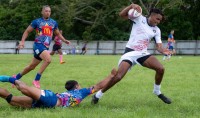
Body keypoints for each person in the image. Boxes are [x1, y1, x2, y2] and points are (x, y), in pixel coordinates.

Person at [91, 3, 172, 104]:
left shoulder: (157, 30)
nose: (158, 22)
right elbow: (122, 15)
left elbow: (158, 47)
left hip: (143, 53)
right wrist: (131, 6)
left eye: (160, 20)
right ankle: (98, 95)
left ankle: (157, 91)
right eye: (157, 19)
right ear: (151, 15)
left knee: (161, 69)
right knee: (118, 77)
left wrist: (164, 50)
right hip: (130, 52)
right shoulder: (139, 18)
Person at [0, 68, 117, 108]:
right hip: (51, 99)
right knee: (23, 88)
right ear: (76, 86)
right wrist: (111, 76)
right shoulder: (81, 92)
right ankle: (9, 78)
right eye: (79, 85)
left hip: (46, 104)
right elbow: (98, 86)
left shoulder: (68, 94)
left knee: (11, 100)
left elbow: (98, 86)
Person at [16, 5, 71, 88]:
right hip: (38, 45)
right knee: (48, 59)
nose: (48, 12)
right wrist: (22, 42)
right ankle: (36, 79)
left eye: (49, 11)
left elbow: (58, 34)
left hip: (45, 47)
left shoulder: (53, 23)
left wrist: (64, 40)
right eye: (46, 11)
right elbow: (27, 31)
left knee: (31, 67)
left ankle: (15, 78)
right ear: (42, 12)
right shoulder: (36, 22)